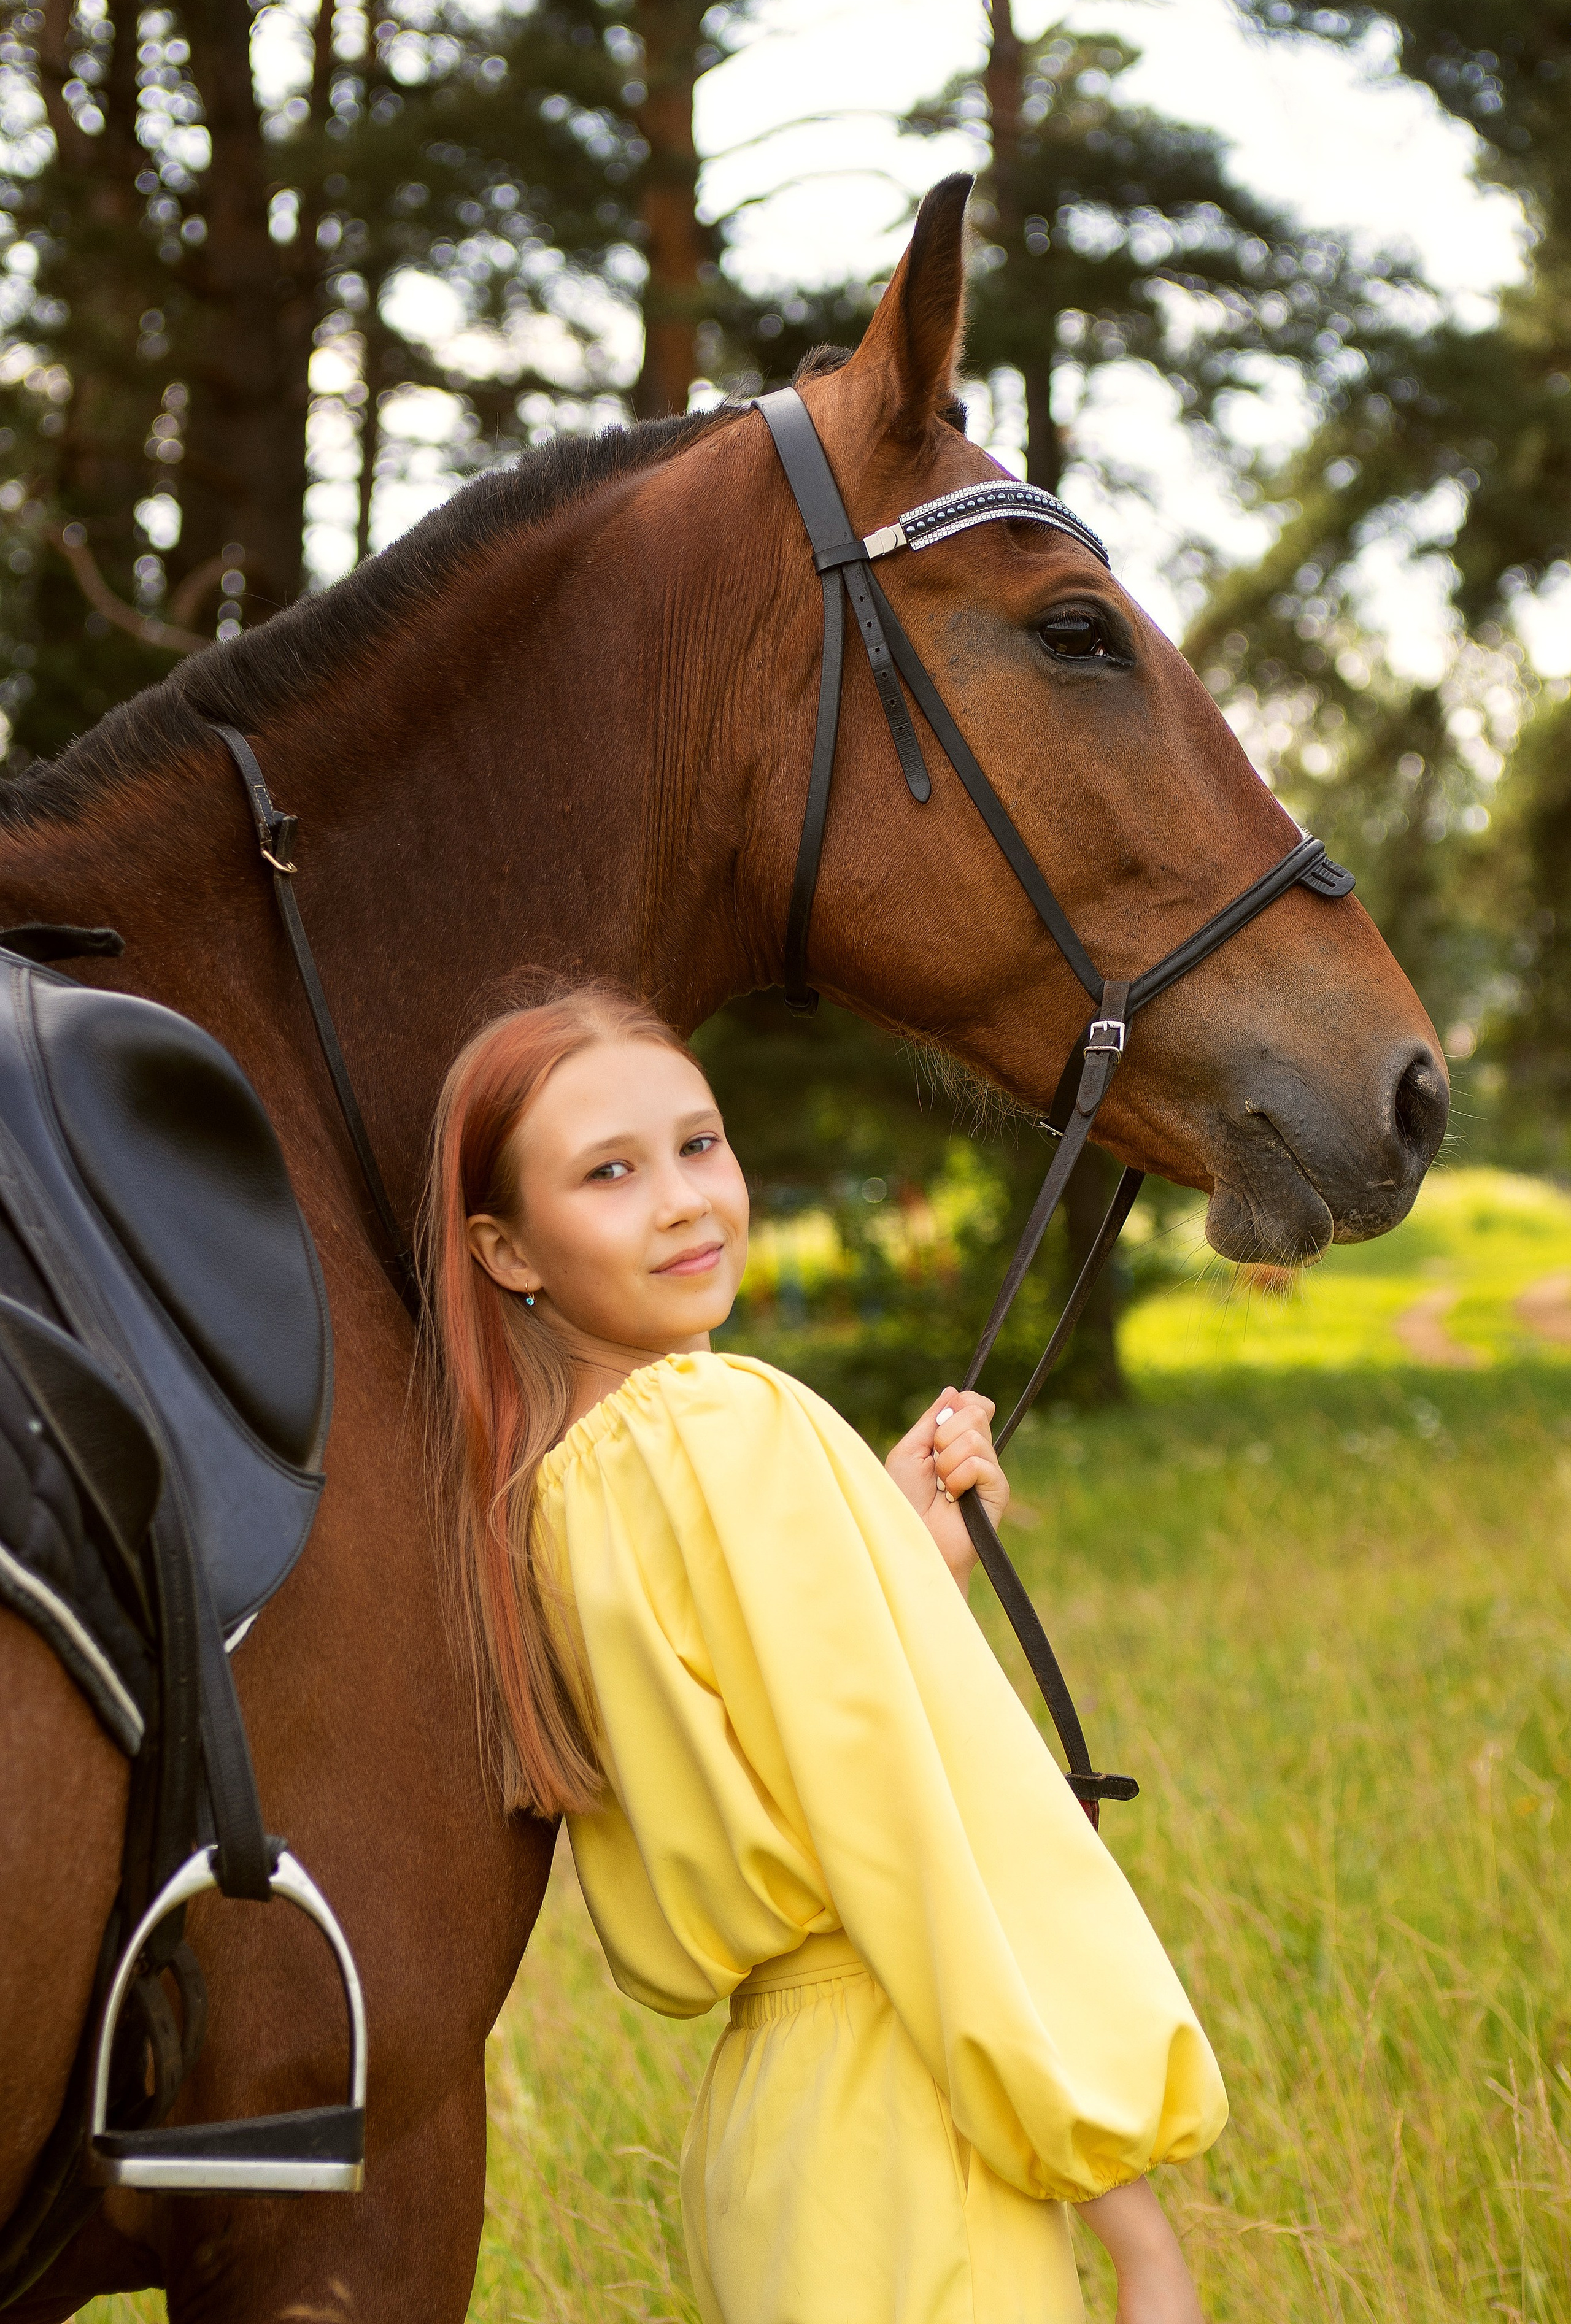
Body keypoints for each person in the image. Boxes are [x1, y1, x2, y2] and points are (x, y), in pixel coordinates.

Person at [420, 979, 1227, 2324]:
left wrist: (894, 1558)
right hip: (911, 2116)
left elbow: (775, 1736)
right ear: (506, 1251)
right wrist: (1128, 2219)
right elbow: (912, 1831)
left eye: (699, 1143)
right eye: (609, 1172)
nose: (681, 1198)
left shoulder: (563, 1487)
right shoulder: (725, 1423)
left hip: (778, 2142)